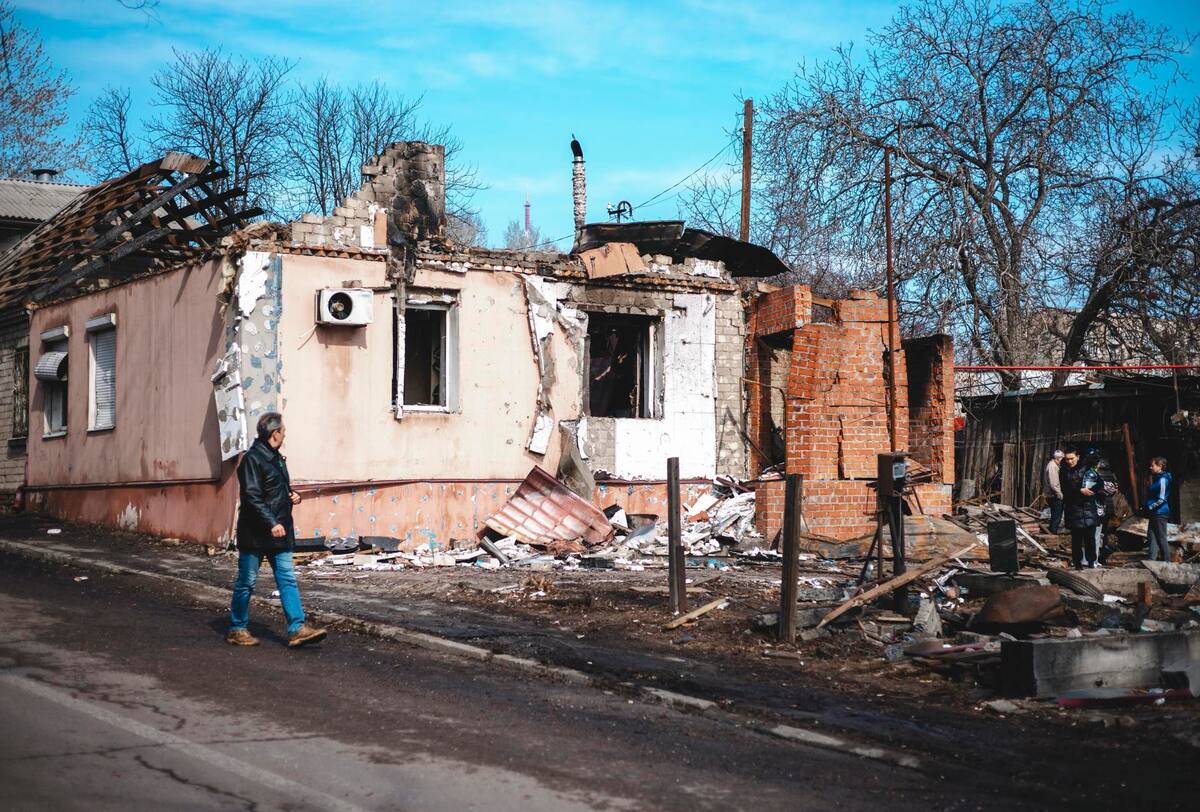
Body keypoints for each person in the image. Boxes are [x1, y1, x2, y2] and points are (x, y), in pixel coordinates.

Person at [227, 412, 327, 648]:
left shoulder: (276, 458)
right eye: (283, 431)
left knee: (287, 579)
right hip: (256, 533)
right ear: (275, 434)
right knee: (247, 582)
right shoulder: (252, 459)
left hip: (279, 533)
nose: (285, 435)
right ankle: (237, 628)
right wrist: (272, 522)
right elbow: (252, 496)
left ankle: (297, 628)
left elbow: (275, 488)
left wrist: (292, 495)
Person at [1060, 445, 1104, 570]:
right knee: (1076, 540)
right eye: (1067, 459)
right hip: (1073, 509)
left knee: (1090, 538)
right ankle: (1078, 563)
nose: (1069, 461)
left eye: (1072, 458)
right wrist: (1080, 491)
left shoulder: (1087, 469)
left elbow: (1100, 483)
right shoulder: (1063, 471)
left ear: (1078, 457)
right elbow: (1065, 490)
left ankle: (1091, 562)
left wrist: (1091, 490)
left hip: (1088, 508)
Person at [1144, 456, 1173, 562]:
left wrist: (1149, 507)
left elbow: (1161, 499)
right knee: (1151, 536)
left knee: (1161, 537)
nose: (1150, 467)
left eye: (1153, 465)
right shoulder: (1157, 479)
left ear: (1160, 466)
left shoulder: (1163, 480)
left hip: (1160, 513)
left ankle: (1167, 561)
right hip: (1155, 512)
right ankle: (1151, 559)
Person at [1044, 450, 1064, 533]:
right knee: (1056, 516)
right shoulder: (1053, 466)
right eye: (1062, 458)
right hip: (1054, 495)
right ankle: (1053, 533)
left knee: (1055, 516)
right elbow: (1054, 484)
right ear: (1058, 458)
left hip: (1053, 495)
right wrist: (1060, 494)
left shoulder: (1055, 465)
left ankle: (1052, 531)